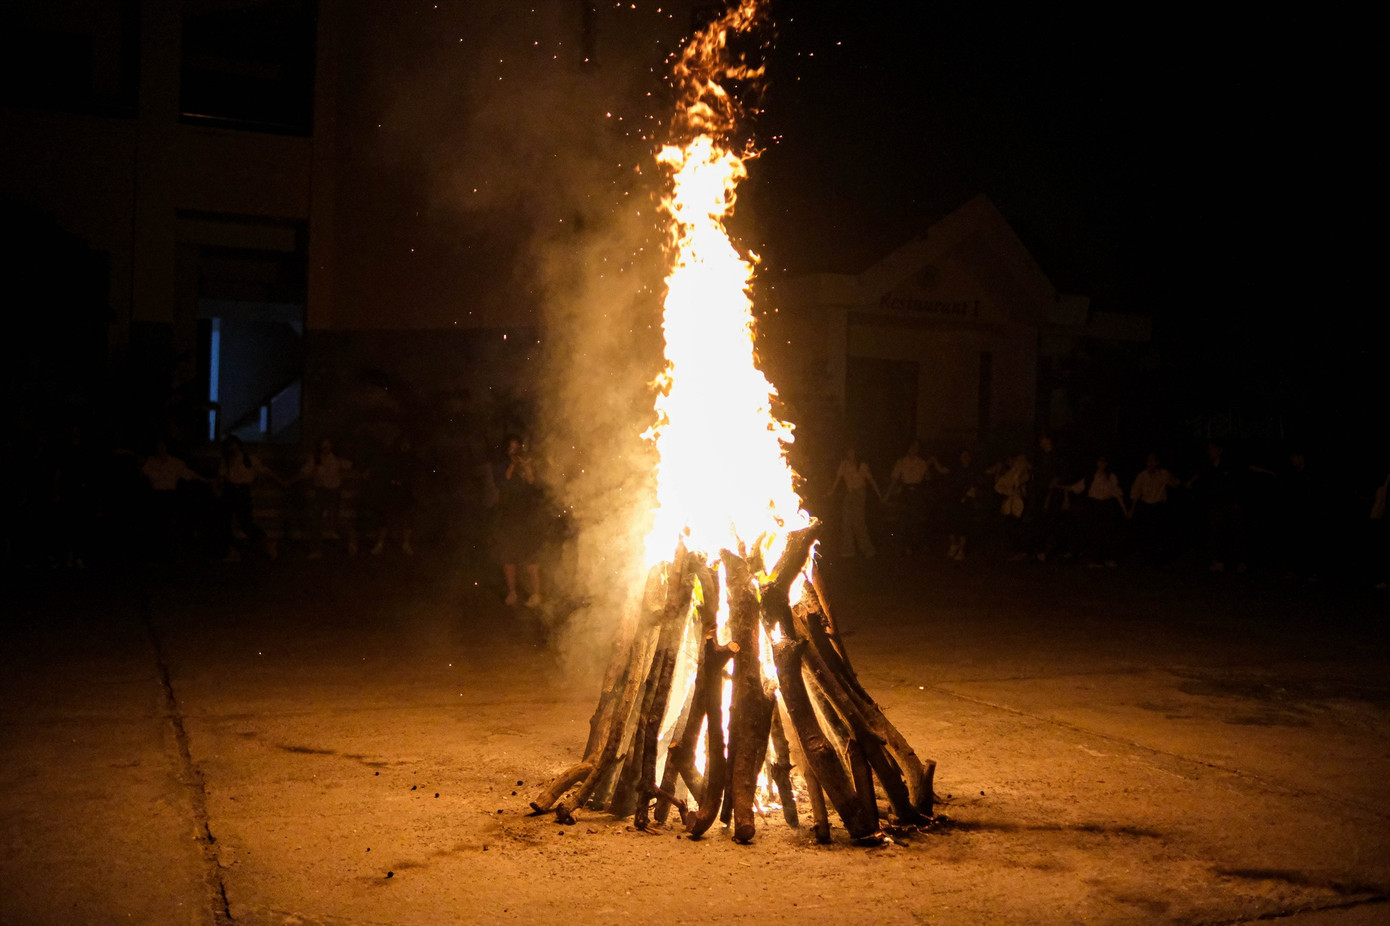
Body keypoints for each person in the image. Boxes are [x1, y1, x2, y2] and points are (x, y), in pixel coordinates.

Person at [495, 436, 544, 607]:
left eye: (517, 448)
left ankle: (536, 594)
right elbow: (504, 481)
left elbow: (532, 481)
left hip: (526, 519)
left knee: (531, 557)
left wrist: (526, 466)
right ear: (507, 450)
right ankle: (512, 593)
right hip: (508, 519)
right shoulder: (502, 465)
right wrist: (514, 464)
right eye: (512, 448)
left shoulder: (526, 464)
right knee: (509, 558)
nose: (515, 451)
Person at [140, 438, 206, 559]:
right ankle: (158, 551)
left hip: (170, 496)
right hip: (155, 496)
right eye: (158, 446)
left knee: (169, 523)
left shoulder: (175, 463)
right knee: (157, 523)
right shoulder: (150, 462)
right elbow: (141, 474)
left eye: (162, 446)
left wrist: (207, 481)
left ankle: (170, 551)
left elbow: (189, 475)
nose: (160, 449)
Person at [217, 436, 279, 561]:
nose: (232, 448)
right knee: (224, 522)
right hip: (229, 490)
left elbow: (265, 471)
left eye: (234, 445)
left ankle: (266, 542)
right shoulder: (226, 460)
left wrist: (280, 481)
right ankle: (232, 551)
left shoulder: (250, 459)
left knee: (245, 522)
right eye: (229, 446)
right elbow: (221, 476)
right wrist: (218, 489)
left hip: (242, 491)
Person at [298, 437, 356, 558]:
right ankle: (316, 550)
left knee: (334, 521)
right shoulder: (315, 459)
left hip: (334, 492)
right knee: (316, 520)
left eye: (328, 445)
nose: (325, 448)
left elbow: (351, 466)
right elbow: (304, 471)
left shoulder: (337, 459)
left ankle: (350, 540)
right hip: (321, 492)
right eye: (323, 446)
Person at [886, 440, 946, 554]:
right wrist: (888, 494)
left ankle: (919, 543)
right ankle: (907, 545)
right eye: (912, 447)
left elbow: (927, 478)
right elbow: (894, 479)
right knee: (905, 518)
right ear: (908, 448)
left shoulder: (922, 463)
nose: (914, 449)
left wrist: (928, 466)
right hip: (906, 492)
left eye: (917, 447)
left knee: (917, 518)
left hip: (917, 491)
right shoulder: (901, 462)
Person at [1069, 455, 1127, 566]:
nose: (1102, 464)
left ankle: (1109, 558)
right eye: (1100, 461)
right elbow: (1077, 487)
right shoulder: (1091, 476)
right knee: (1094, 532)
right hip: (1094, 505)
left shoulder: (1110, 476)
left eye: (1104, 462)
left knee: (1106, 532)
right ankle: (1096, 559)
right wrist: (1061, 486)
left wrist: (1124, 509)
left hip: (1106, 505)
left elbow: (1117, 493)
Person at [369, 434, 419, 556]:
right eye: (403, 444)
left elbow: (413, 476)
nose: (405, 446)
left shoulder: (412, 460)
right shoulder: (392, 458)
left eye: (407, 444)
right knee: (386, 518)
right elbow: (386, 473)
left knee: (407, 518)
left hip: (405, 492)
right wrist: (392, 481)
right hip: (391, 492)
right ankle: (379, 544)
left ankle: (406, 544)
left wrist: (404, 481)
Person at [830, 446, 882, 559]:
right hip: (849, 493)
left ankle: (867, 549)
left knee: (858, 521)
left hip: (859, 493)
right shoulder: (844, 464)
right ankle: (848, 549)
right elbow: (837, 479)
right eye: (848, 452)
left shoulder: (861, 465)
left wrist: (879, 494)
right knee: (846, 520)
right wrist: (831, 492)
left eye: (852, 452)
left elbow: (871, 480)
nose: (850, 455)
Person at [1128, 452, 1180, 564]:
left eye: (1153, 461)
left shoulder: (1163, 474)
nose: (1150, 463)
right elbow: (1136, 493)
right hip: (1146, 505)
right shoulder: (1142, 476)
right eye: (1148, 461)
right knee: (1146, 532)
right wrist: (1132, 509)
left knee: (1157, 531)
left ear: (1157, 462)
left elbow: (1175, 483)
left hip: (1158, 506)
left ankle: (1156, 557)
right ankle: (1148, 557)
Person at [945, 448, 986, 561]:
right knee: (953, 523)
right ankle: (954, 545)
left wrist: (972, 492)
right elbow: (952, 485)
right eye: (963, 456)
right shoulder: (956, 471)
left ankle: (962, 549)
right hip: (955, 500)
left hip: (967, 502)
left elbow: (977, 485)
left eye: (968, 456)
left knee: (964, 525)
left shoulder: (973, 471)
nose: (966, 459)